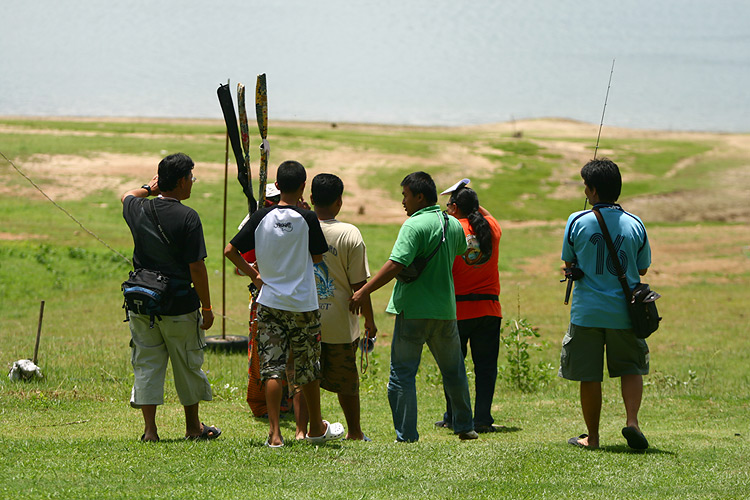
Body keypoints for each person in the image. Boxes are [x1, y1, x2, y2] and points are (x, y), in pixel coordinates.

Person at [350, 171, 478, 442]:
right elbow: (461, 253)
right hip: (445, 311)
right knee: (454, 370)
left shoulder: (413, 225)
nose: (403, 202)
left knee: (402, 374)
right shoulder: (453, 224)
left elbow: (396, 264)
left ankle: (407, 435)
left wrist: (364, 290)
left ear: (420, 197)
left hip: (413, 310)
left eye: (405, 196)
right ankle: (465, 426)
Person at [224, 160, 345, 447]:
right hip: (303, 303)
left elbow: (230, 250)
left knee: (272, 367)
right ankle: (315, 428)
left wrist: (255, 275)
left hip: (269, 301)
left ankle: (275, 434)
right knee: (307, 367)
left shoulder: (260, 216)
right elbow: (317, 257)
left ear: (277, 185)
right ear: (303, 186)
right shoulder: (308, 218)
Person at [121, 152, 220, 442]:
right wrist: (208, 306)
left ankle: (150, 431)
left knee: (147, 364)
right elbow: (197, 267)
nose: (192, 182)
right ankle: (193, 427)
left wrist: (149, 188)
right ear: (180, 182)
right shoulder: (188, 217)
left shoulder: (138, 208)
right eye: (191, 177)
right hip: (179, 305)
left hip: (142, 303)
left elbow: (127, 195)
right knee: (187, 364)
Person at [560, 158, 652, 450]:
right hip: (625, 312)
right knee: (631, 368)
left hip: (587, 311)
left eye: (586, 187)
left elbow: (568, 262)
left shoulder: (577, 220)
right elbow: (644, 267)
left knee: (589, 375)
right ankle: (632, 422)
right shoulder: (635, 223)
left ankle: (594, 437)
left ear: (594, 191)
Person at [310, 173, 377, 441]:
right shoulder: (349, 233)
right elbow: (360, 286)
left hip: (306, 320)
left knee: (305, 379)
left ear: (312, 198)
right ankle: (355, 432)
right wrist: (370, 322)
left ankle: (304, 430)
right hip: (341, 322)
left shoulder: (302, 227)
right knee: (347, 382)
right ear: (340, 201)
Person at [435, 180, 503, 434]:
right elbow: (482, 213)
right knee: (486, 368)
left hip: (457, 309)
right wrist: (465, 195)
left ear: (453, 207)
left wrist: (457, 198)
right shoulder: (492, 228)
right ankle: (483, 417)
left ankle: (453, 415)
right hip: (489, 309)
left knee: (454, 365)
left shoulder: (451, 229)